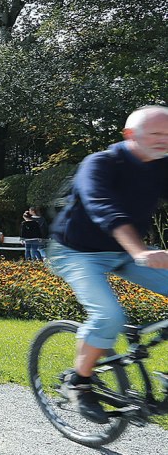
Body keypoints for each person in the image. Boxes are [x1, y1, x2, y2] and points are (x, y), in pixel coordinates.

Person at [47, 105, 168, 424]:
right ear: (130, 135)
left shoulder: (161, 166)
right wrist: (141, 252)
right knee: (109, 315)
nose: (163, 140)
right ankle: (80, 383)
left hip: (124, 252)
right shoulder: (99, 163)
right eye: (156, 133)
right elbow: (104, 209)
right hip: (76, 252)